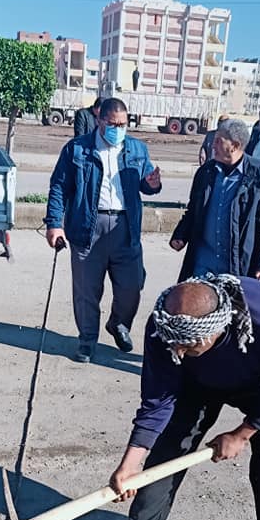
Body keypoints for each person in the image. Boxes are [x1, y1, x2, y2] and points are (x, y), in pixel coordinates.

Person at [102, 274, 260, 520]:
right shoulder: (165, 326)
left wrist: (241, 434)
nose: (177, 354)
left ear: (214, 332)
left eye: (186, 348)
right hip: (198, 385)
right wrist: (131, 462)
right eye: (174, 347)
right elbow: (157, 400)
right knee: (169, 449)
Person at [46, 97, 162, 363]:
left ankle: (119, 324)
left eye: (123, 124)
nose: (118, 129)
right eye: (112, 124)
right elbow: (59, 188)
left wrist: (153, 183)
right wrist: (54, 224)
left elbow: (146, 183)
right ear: (99, 119)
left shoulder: (137, 149)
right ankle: (87, 340)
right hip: (88, 227)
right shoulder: (77, 149)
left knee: (131, 286)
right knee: (87, 290)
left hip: (125, 229)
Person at [170, 118, 260, 283]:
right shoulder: (205, 173)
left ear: (234, 146)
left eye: (218, 141)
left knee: (235, 307)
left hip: (237, 265)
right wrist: (180, 234)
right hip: (202, 264)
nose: (212, 146)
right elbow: (193, 210)